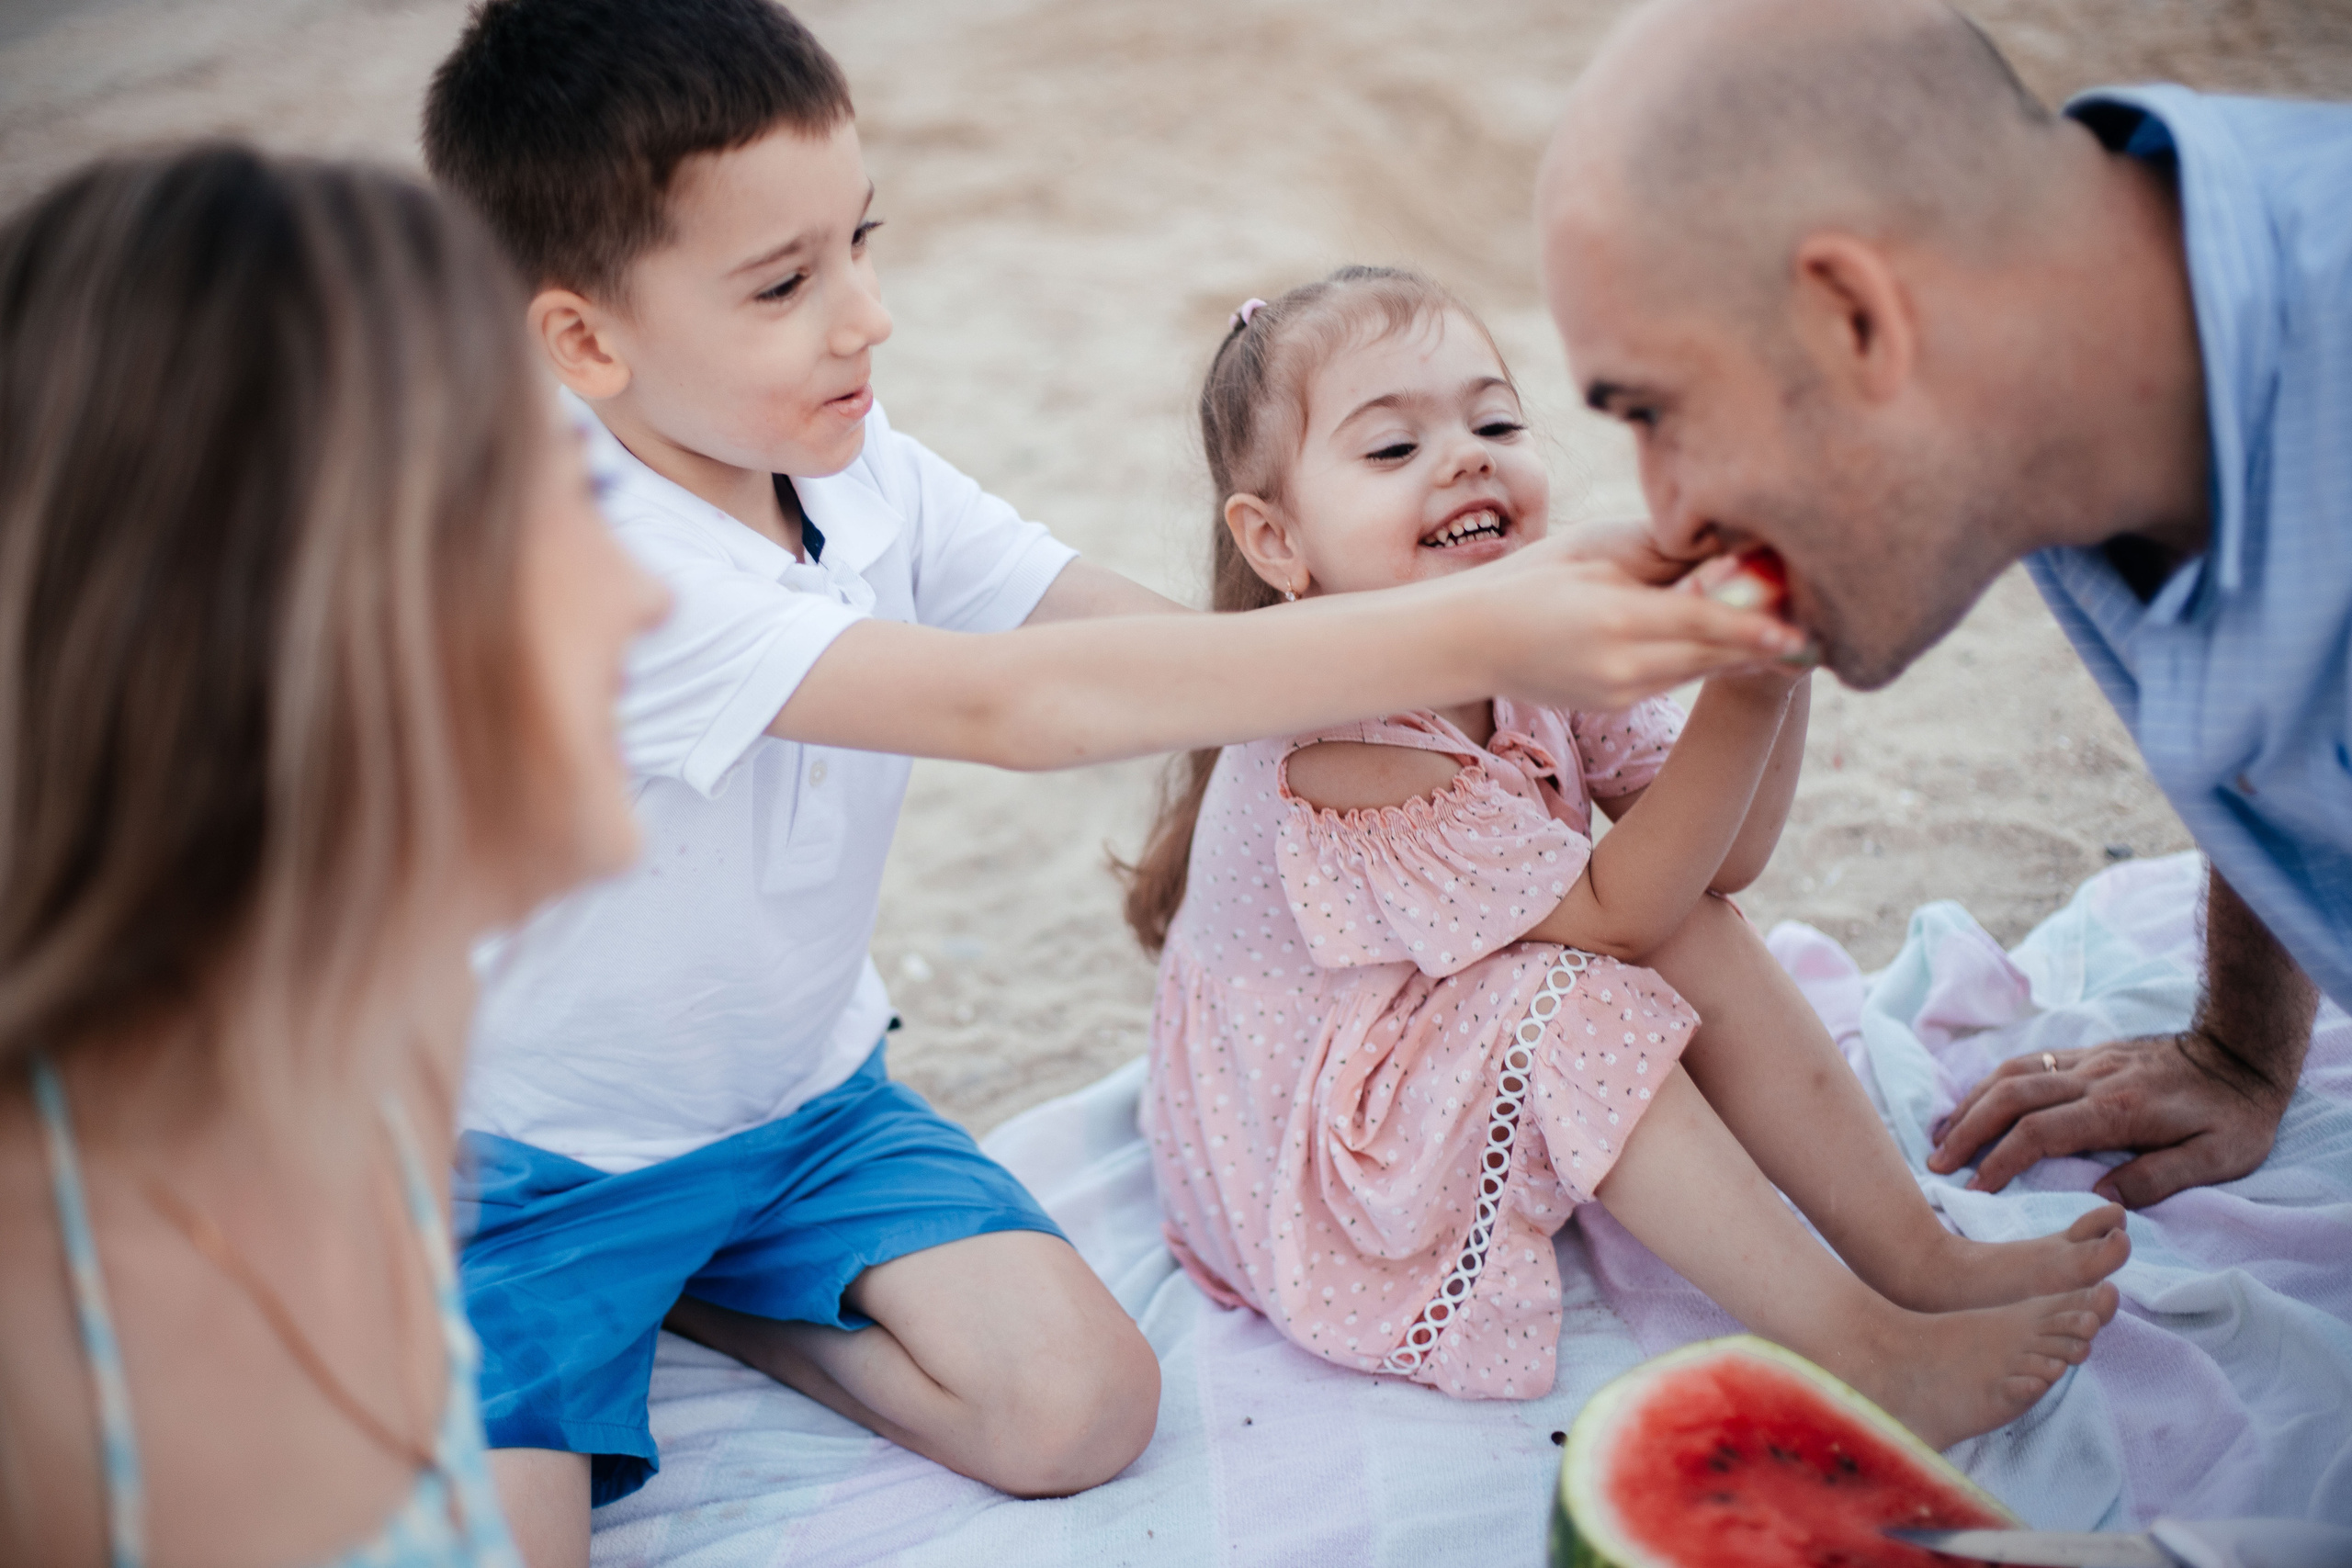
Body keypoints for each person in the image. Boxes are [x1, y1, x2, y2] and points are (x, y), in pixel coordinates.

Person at [418, 2, 1800, 1557]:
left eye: (858, 242)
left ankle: (735, 1312)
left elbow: (1150, 646)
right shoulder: (578, 555)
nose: (866, 316)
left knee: (1083, 1414)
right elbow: (1024, 704)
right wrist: (1469, 623)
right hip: (542, 1174)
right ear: (586, 341)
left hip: (808, 1109)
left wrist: (1465, 630)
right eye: (786, 283)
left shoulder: (851, 462)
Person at [1128, 265, 2127, 1449]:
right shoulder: (1337, 750)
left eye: (1494, 421)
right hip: (1322, 1132)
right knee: (1576, 998)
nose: (1465, 458)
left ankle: (1915, 1255)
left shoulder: (1535, 638)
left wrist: (1772, 659)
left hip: (1444, 1005)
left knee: (1677, 929)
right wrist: (1744, 696)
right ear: (1278, 543)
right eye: (1393, 451)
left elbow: (1715, 867)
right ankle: (1864, 1353)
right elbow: (1614, 918)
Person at [1537, 0, 2352, 1212]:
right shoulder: (2073, 409)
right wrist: (2242, 1041)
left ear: (1854, 318)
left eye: (1657, 412)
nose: (1670, 520)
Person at [0, 145, 664, 1566]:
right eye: (578, 505)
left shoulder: (383, 1055)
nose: (648, 600)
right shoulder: (40, 1333)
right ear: (322, 604)